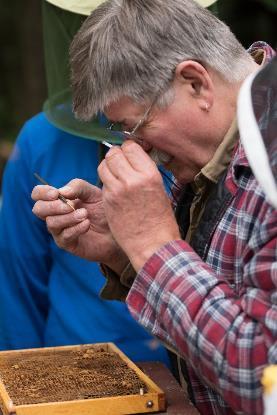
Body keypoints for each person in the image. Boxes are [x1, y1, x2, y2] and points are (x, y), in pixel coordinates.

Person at [31, 0, 277, 413]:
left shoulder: (269, 161)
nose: (135, 146)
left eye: (135, 125)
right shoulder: (222, 150)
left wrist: (151, 245)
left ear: (195, 82)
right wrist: (124, 251)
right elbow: (227, 301)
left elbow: (264, 379)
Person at [0, 0, 173, 366]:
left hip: (193, 376)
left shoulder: (200, 138)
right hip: (74, 369)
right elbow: (17, 288)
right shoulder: (39, 140)